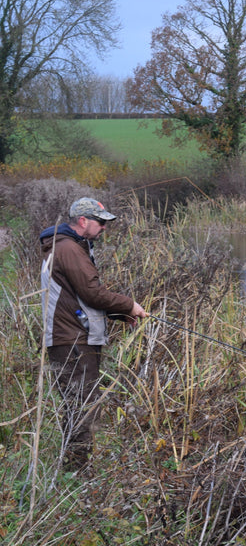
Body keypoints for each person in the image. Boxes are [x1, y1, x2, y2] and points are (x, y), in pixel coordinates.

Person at [39, 197, 147, 470]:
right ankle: (75, 476)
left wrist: (120, 315)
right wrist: (129, 305)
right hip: (74, 341)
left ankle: (72, 472)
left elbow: (79, 298)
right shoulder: (69, 250)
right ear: (83, 221)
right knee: (82, 408)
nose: (104, 228)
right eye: (100, 222)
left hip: (73, 339)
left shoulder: (68, 247)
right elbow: (92, 293)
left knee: (79, 406)